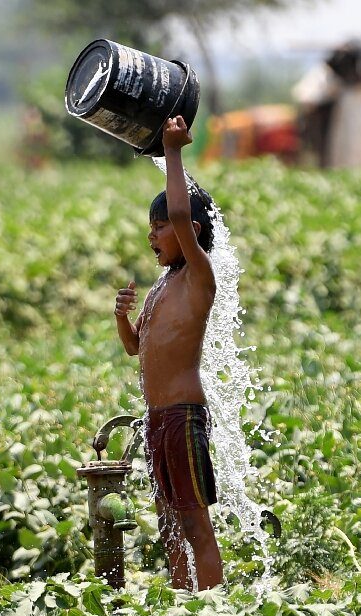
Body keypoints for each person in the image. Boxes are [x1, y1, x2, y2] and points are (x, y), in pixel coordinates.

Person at [113, 115, 223, 590]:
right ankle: (181, 610)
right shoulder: (163, 287)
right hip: (157, 420)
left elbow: (181, 214)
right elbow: (136, 348)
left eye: (160, 227)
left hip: (182, 417)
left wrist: (172, 152)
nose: (153, 236)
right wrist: (122, 318)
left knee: (195, 524)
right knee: (170, 526)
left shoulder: (199, 277)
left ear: (191, 230)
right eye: (151, 228)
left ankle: (215, 608)